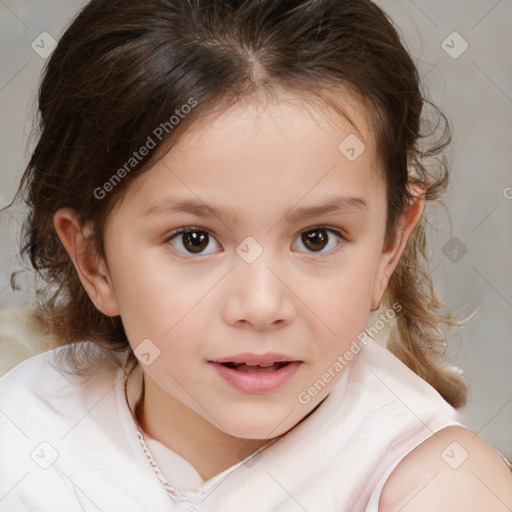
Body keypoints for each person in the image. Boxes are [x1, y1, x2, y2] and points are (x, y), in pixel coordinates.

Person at [0, 0, 511, 510]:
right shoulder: (25, 435)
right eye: (194, 240)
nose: (262, 305)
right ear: (95, 260)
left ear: (388, 245)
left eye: (317, 238)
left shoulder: (437, 487)